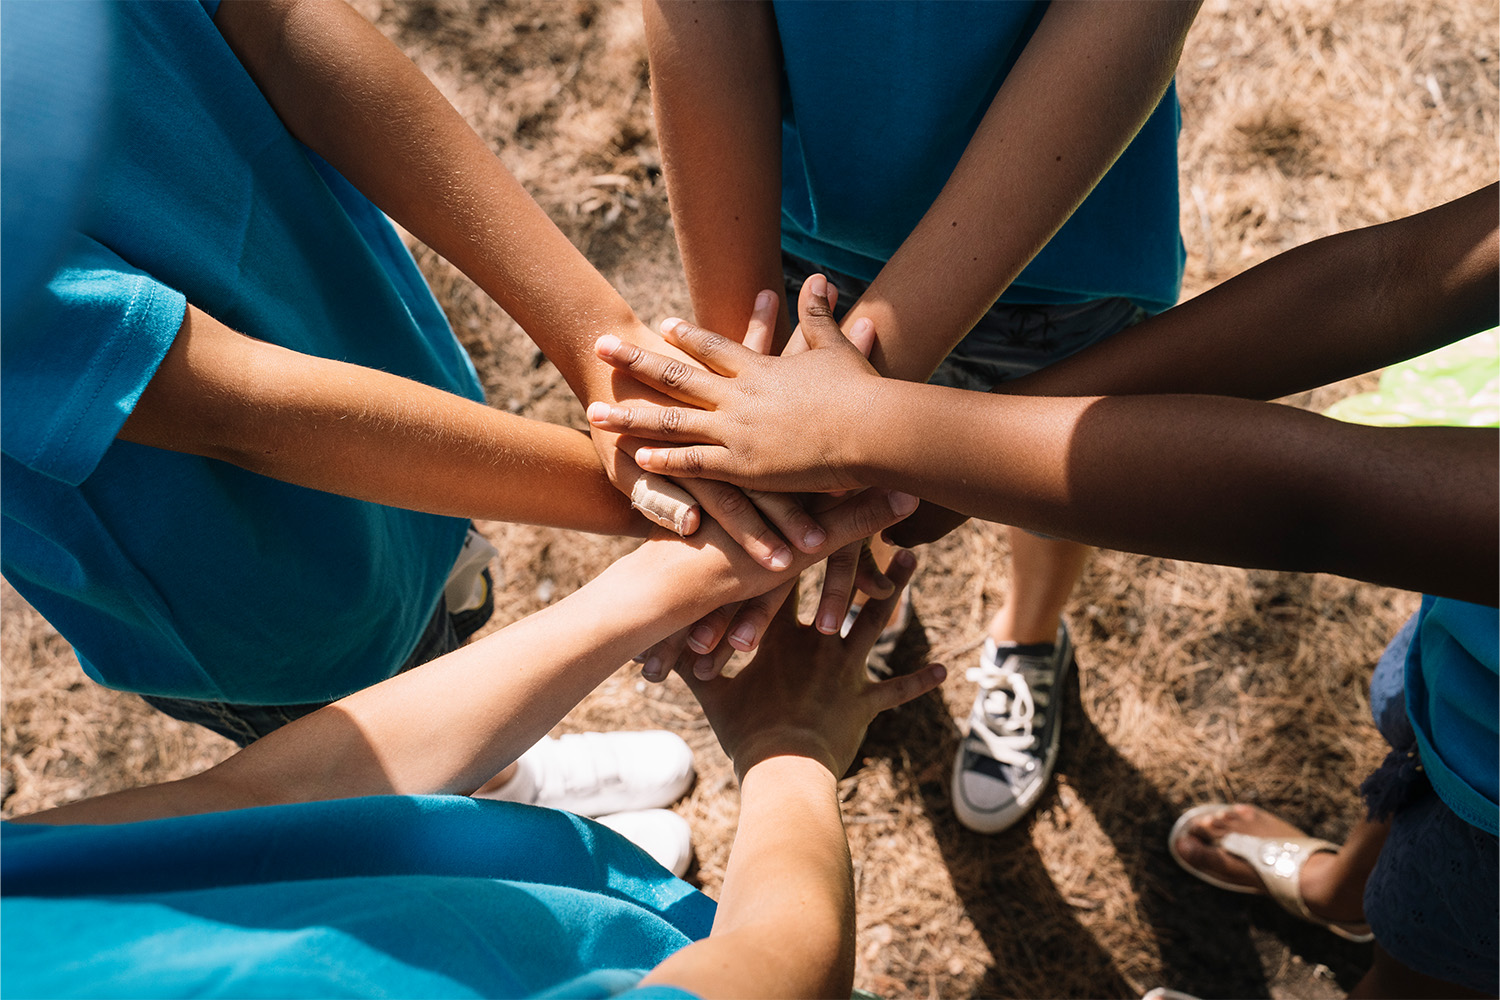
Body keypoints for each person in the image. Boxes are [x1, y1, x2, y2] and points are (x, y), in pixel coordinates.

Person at [587, 185, 1499, 998]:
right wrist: (930, 461)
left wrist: (887, 436)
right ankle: (1342, 892)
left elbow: (1319, 503)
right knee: (1420, 739)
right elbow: (1390, 277)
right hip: (1471, 657)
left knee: (1434, 955)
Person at [0, 0, 854, 833]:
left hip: (367, 375)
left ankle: (503, 777)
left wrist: (604, 342)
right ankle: (482, 824)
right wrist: (668, 500)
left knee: (446, 622)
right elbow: (231, 407)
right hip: (238, 573)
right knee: (383, 743)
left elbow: (279, 23)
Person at [2, 491, 940, 999]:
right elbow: (774, 975)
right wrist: (788, 747)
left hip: (498, 912)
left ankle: (528, 820)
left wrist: (638, 595)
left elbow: (246, 812)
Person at [641, 0, 1201, 834]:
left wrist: (838, 409)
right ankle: (867, 597)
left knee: (1045, 476)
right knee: (835, 475)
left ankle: (1031, 634)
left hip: (1066, 245)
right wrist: (749, 384)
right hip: (807, 221)